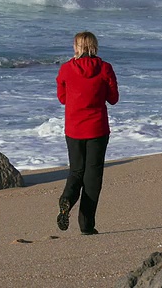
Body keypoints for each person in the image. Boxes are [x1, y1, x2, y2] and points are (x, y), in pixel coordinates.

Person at [56, 31, 119, 235]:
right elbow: (113, 98)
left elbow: (62, 98)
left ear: (77, 47)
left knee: (76, 171)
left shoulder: (66, 69)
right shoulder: (105, 68)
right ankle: (86, 225)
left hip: (74, 129)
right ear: (94, 46)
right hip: (97, 129)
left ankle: (67, 198)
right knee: (93, 177)